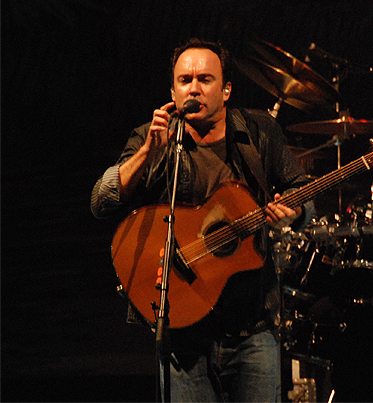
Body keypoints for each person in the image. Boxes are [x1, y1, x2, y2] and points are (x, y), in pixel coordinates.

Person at [91, 38, 315, 402]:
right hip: (183, 330)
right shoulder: (154, 136)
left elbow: (303, 193)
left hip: (252, 329)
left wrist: (296, 213)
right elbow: (101, 201)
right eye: (184, 80)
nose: (193, 87)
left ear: (226, 90)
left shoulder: (259, 132)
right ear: (173, 90)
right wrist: (149, 152)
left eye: (205, 79)